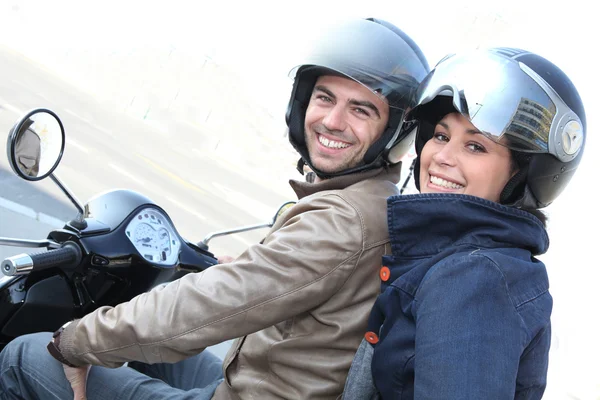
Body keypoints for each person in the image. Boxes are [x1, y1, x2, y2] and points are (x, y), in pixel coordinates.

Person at [0, 18, 430, 399]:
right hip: (260, 379)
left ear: (393, 130)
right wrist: (239, 267)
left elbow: (202, 309)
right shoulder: (376, 204)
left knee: (27, 356)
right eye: (324, 97)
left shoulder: (343, 219)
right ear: (302, 102)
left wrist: (75, 340)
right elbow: (290, 278)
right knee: (144, 348)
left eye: (360, 109)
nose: (333, 121)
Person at [342, 47, 586, 399]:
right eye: (441, 136)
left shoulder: (473, 278)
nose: (442, 157)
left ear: (520, 175)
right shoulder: (473, 261)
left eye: (475, 147)